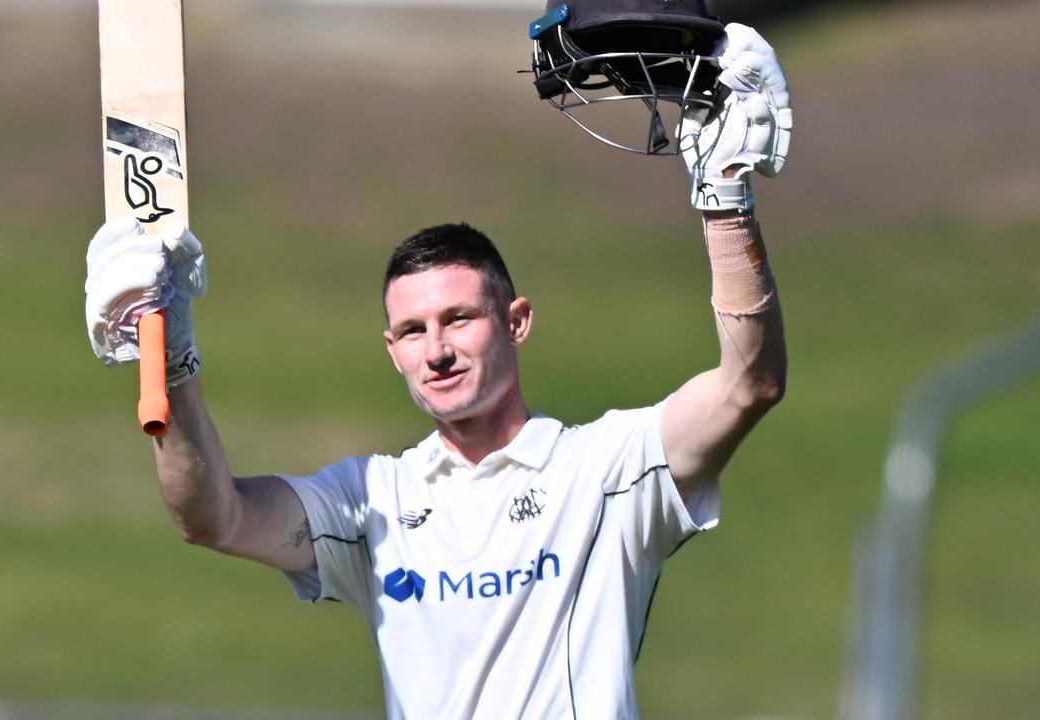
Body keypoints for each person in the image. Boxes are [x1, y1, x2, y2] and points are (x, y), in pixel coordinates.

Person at [84, 17, 791, 720]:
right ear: (392, 351)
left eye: (459, 320)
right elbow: (213, 517)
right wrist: (171, 360)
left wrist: (726, 205)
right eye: (414, 331)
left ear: (517, 322)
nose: (438, 350)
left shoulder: (606, 472)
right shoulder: (371, 503)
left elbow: (749, 383)